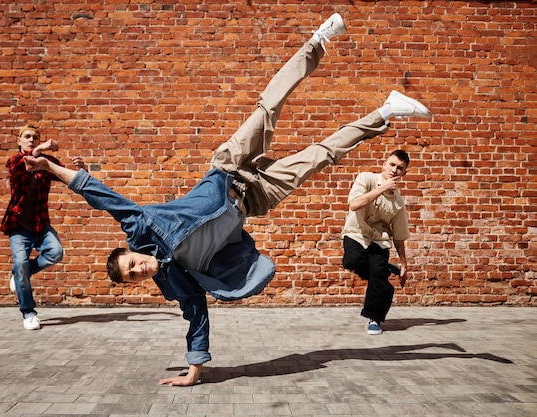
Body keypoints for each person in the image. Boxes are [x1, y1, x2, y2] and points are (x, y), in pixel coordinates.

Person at [23, 13, 431, 385]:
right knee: (321, 155)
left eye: (132, 264)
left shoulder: (141, 227)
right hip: (254, 197)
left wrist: (50, 169)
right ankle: (385, 112)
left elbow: (102, 196)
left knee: (268, 108)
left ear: (131, 252)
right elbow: (195, 313)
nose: (139, 270)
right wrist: (194, 370)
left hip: (227, 168)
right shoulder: (172, 280)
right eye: (133, 277)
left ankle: (318, 41)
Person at [0, 123, 87, 330]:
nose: (31, 140)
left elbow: (66, 176)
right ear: (19, 141)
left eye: (35, 137)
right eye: (27, 137)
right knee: (20, 263)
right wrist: (39, 150)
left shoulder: (46, 162)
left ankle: (21, 273)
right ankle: (28, 312)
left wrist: (81, 169)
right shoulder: (14, 161)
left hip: (40, 224)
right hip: (19, 227)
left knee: (55, 252)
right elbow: (18, 167)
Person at [342, 148, 413, 335]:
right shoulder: (366, 179)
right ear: (384, 163)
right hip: (356, 233)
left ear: (404, 173)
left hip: (379, 241)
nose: (394, 170)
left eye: (400, 168)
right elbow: (354, 204)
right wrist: (382, 188)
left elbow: (399, 235)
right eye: (392, 164)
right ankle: (382, 272)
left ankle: (374, 319)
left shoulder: (398, 203)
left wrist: (404, 264)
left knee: (378, 281)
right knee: (351, 261)